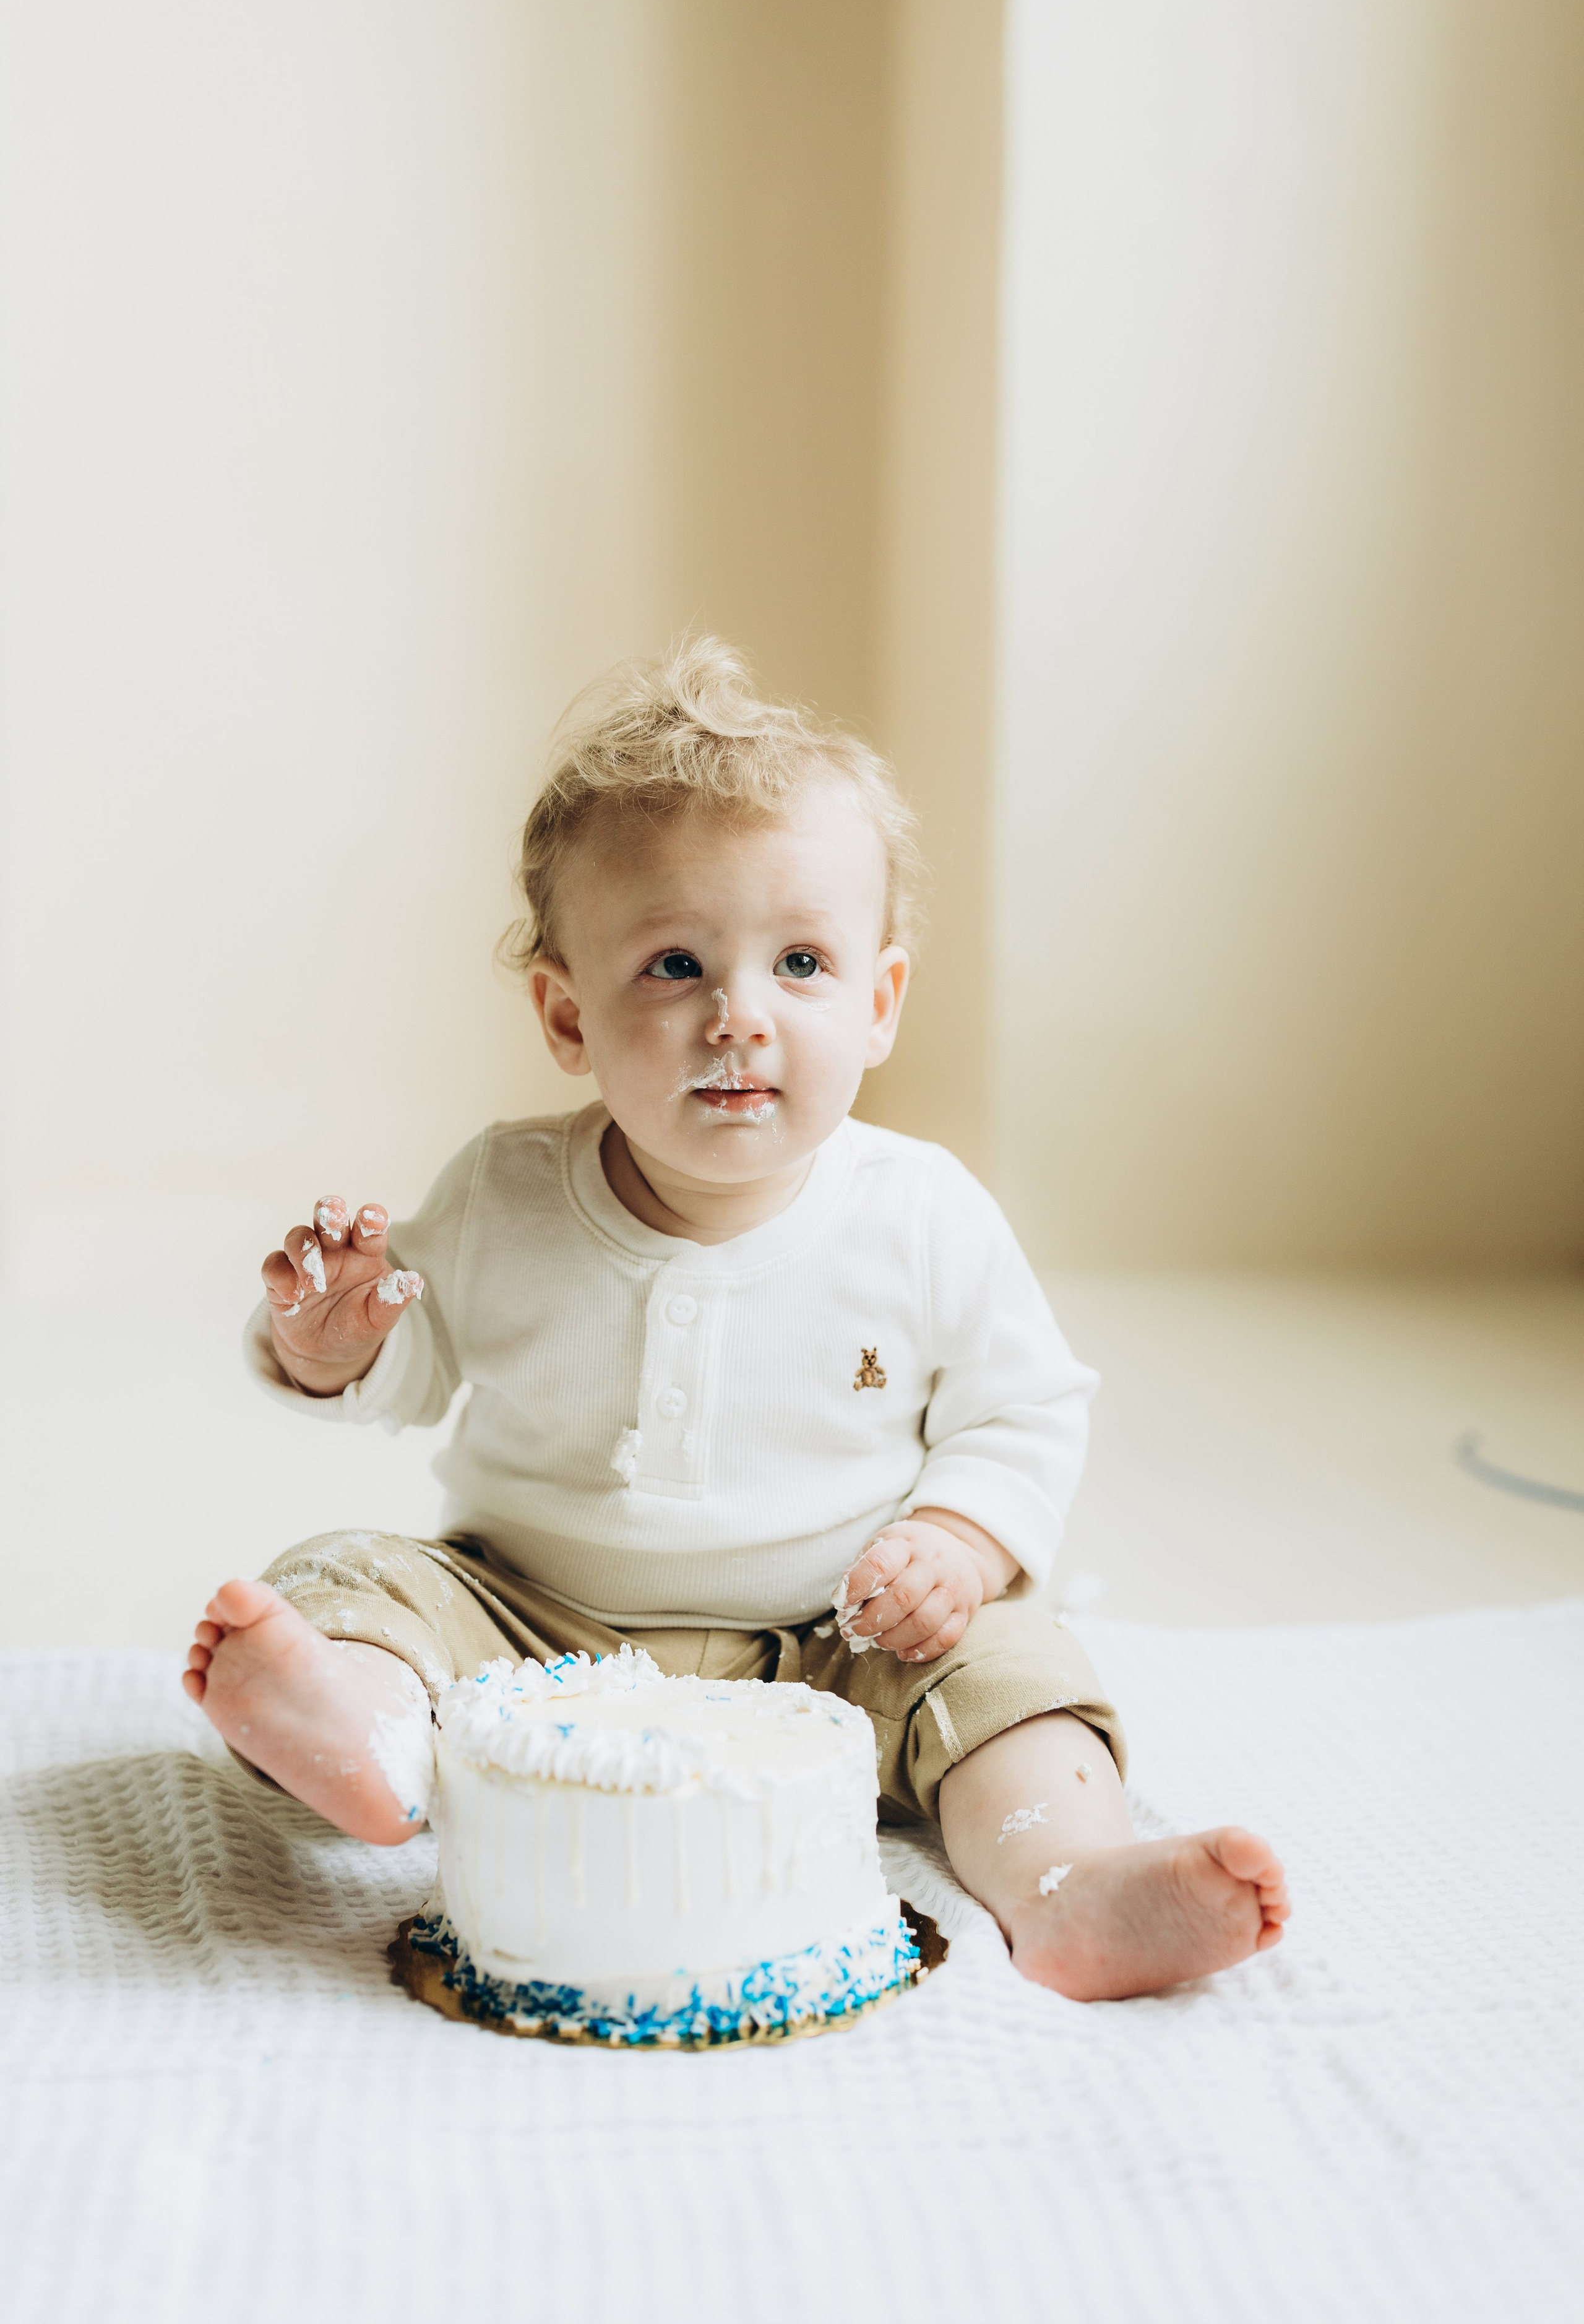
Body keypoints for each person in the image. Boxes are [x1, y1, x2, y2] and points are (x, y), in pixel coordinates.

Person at [183, 639, 1288, 2001]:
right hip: (527, 1619)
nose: (737, 1019)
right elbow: (410, 1366)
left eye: (801, 963)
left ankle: (1064, 1881)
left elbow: (1025, 1407)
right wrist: (334, 1342)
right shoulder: (503, 1190)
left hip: (844, 1634)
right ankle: (374, 1745)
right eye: (671, 966)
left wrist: (954, 1534)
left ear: (878, 1003)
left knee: (1014, 1666)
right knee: (349, 1576)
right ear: (564, 1012)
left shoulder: (921, 1211)